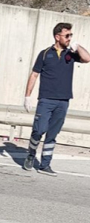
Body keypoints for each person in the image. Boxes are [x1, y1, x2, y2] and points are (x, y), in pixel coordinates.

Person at [23, 22, 90, 176]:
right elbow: (34, 74)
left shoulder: (71, 54)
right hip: (46, 99)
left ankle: (45, 164)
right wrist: (28, 96)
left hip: (63, 100)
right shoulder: (45, 53)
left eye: (71, 35)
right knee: (39, 130)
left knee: (52, 134)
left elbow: (87, 58)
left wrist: (77, 46)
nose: (69, 38)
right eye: (67, 35)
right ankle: (31, 154)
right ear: (57, 36)